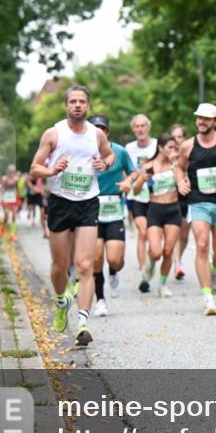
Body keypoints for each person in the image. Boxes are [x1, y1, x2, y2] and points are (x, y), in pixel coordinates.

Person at [30, 85, 116, 347]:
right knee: (59, 267)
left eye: (82, 102)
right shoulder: (54, 134)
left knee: (85, 266)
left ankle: (81, 323)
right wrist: (52, 170)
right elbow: (34, 168)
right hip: (59, 203)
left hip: (88, 202)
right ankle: (61, 301)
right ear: (66, 105)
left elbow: (109, 154)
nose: (77, 105)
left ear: (88, 105)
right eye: (73, 102)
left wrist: (106, 163)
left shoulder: (96, 134)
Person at [176, 103, 216, 315]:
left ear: (215, 121)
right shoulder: (188, 146)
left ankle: (212, 269)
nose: (201, 122)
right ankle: (208, 298)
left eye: (206, 118)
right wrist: (180, 182)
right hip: (198, 202)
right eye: (199, 118)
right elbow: (180, 168)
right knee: (201, 245)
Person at [87, 114, 142, 317]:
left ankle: (113, 273)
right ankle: (100, 299)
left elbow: (134, 172)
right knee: (96, 258)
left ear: (107, 132)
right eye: (95, 130)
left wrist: (129, 182)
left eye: (103, 129)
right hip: (91, 209)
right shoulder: (84, 153)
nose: (99, 133)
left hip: (114, 209)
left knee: (115, 259)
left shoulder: (119, 151)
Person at [139, 132, 182, 298]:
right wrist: (142, 180)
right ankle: (150, 265)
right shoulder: (149, 166)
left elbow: (183, 182)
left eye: (175, 147)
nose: (173, 150)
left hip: (173, 209)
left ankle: (162, 285)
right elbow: (136, 191)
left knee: (168, 251)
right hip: (155, 210)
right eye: (170, 147)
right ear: (161, 148)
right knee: (156, 252)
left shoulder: (177, 165)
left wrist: (175, 165)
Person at [124, 114, 157, 290]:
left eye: (143, 125)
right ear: (133, 129)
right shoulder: (128, 148)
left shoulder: (157, 145)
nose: (140, 129)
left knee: (155, 239)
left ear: (148, 127)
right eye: (136, 126)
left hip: (156, 195)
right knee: (142, 232)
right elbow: (126, 170)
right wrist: (130, 181)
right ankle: (144, 271)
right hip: (136, 195)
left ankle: (152, 261)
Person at [169, 123, 190, 281]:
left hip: (188, 197)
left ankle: (179, 259)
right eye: (174, 137)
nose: (177, 140)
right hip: (171, 198)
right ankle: (177, 264)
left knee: (184, 234)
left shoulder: (189, 153)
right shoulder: (165, 154)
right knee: (175, 233)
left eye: (180, 137)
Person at [0, 165, 21, 241]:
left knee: (14, 215)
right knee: (6, 216)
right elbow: (2, 188)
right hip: (6, 198)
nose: (11, 173)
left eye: (13, 171)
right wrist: (1, 197)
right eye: (10, 171)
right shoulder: (4, 179)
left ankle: (13, 234)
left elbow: (17, 188)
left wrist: (19, 197)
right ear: (7, 171)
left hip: (14, 198)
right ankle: (2, 228)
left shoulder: (16, 179)